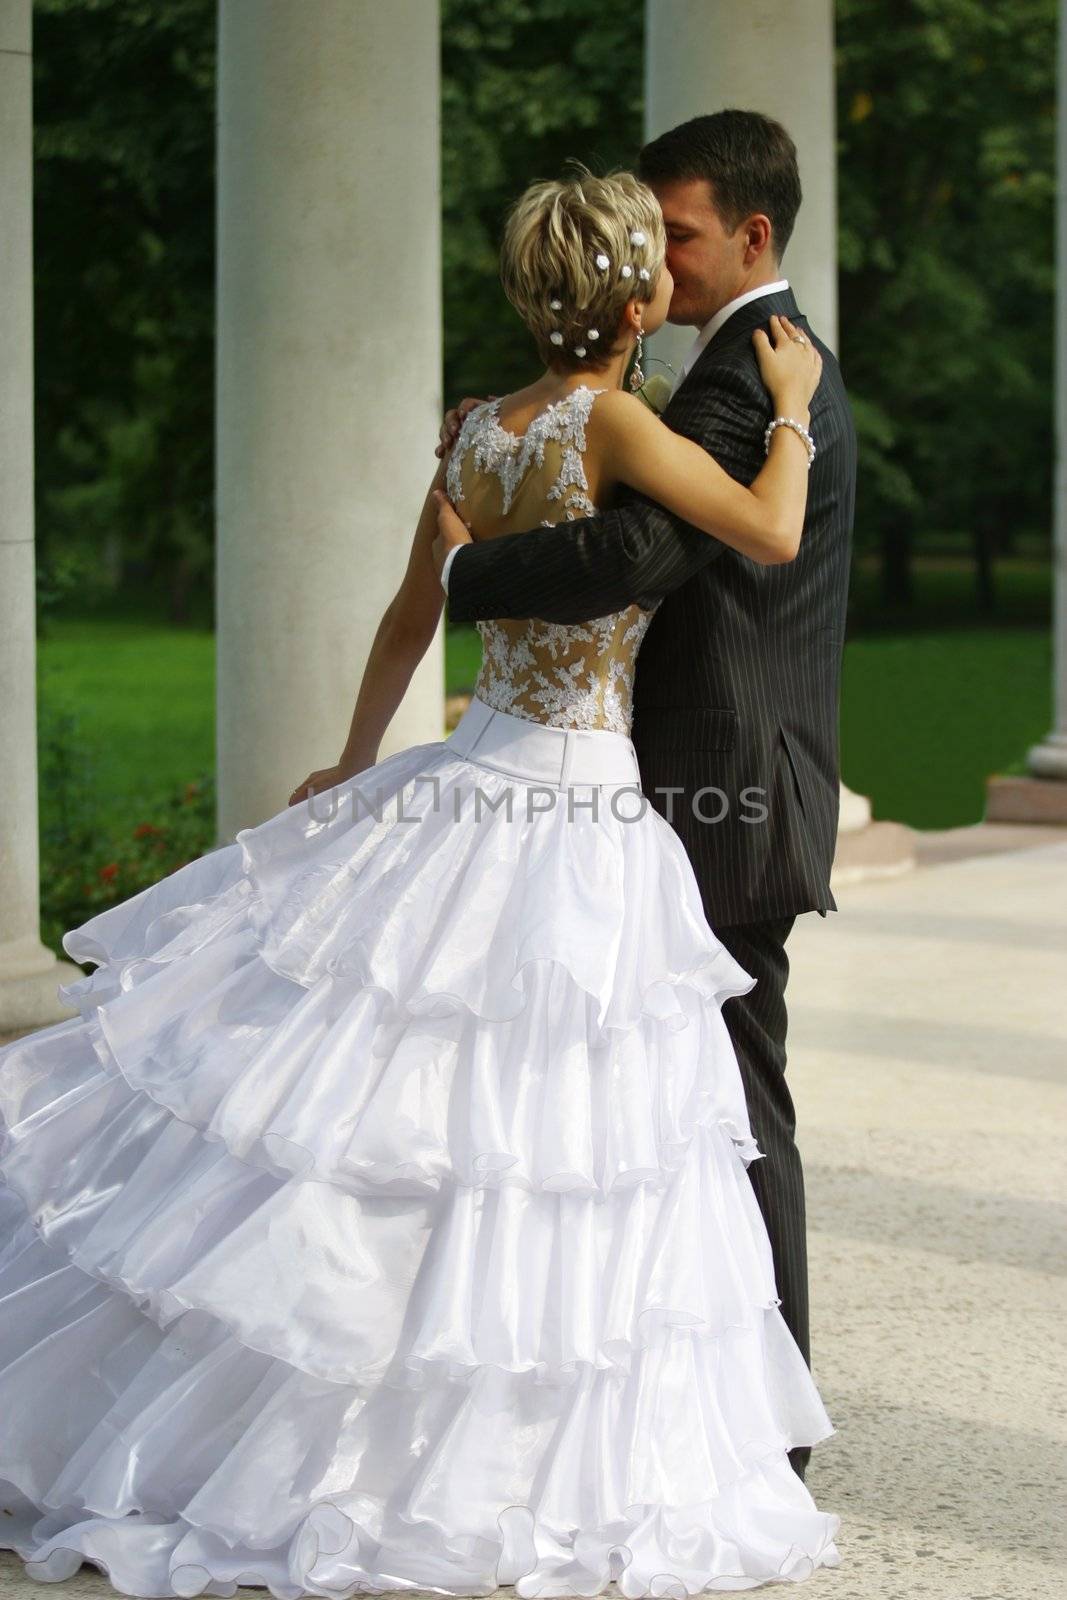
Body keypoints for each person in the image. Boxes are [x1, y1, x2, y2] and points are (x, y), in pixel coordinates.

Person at [0, 164, 841, 1598]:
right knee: (546, 1132)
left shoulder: (480, 436)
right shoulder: (618, 417)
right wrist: (796, 419)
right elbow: (765, 532)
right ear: (638, 300)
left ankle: (333, 1412)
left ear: (533, 297)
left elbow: (410, 616)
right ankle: (487, 1433)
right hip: (579, 802)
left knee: (409, 1110)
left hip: (468, 775)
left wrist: (347, 760)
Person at [434, 111, 858, 1489]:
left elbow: (631, 552)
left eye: (678, 234)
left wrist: (464, 558)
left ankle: (769, 1426)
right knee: (685, 1110)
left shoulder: (748, 376)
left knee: (729, 1113)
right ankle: (717, 1409)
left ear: (750, 234)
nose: (658, 265)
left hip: (717, 782)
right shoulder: (732, 367)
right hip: (699, 772)